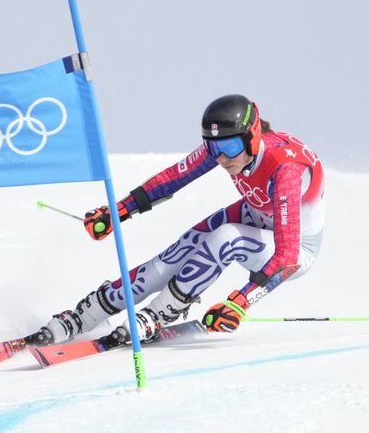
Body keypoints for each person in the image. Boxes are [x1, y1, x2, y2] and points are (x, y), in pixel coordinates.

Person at [25, 94, 325, 346]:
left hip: (297, 249)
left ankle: (158, 314)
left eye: (229, 149)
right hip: (257, 215)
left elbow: (287, 257)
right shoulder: (227, 145)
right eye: (213, 148)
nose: (221, 159)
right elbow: (174, 178)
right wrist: (119, 211)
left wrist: (239, 303)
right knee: (182, 248)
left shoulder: (285, 170)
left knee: (226, 237)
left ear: (252, 135)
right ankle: (87, 313)